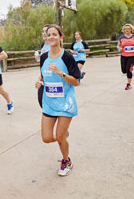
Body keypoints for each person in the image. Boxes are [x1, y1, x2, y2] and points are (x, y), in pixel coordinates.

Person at [35, 24, 80, 177]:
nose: (51, 37)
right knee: (46, 138)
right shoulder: (43, 57)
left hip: (65, 103)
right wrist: (40, 81)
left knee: (59, 137)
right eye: (49, 35)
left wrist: (61, 73)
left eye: (55, 34)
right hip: (49, 103)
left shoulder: (67, 57)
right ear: (46, 38)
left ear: (61, 37)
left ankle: (66, 161)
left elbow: (76, 81)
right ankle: (62, 137)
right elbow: (43, 75)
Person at [117, 24, 134, 90]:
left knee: (128, 70)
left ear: (131, 29)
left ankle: (128, 84)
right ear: (124, 30)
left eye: (128, 29)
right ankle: (130, 68)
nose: (127, 30)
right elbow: (118, 46)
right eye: (125, 29)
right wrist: (119, 48)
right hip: (124, 56)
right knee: (123, 71)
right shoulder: (121, 38)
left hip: (133, 56)